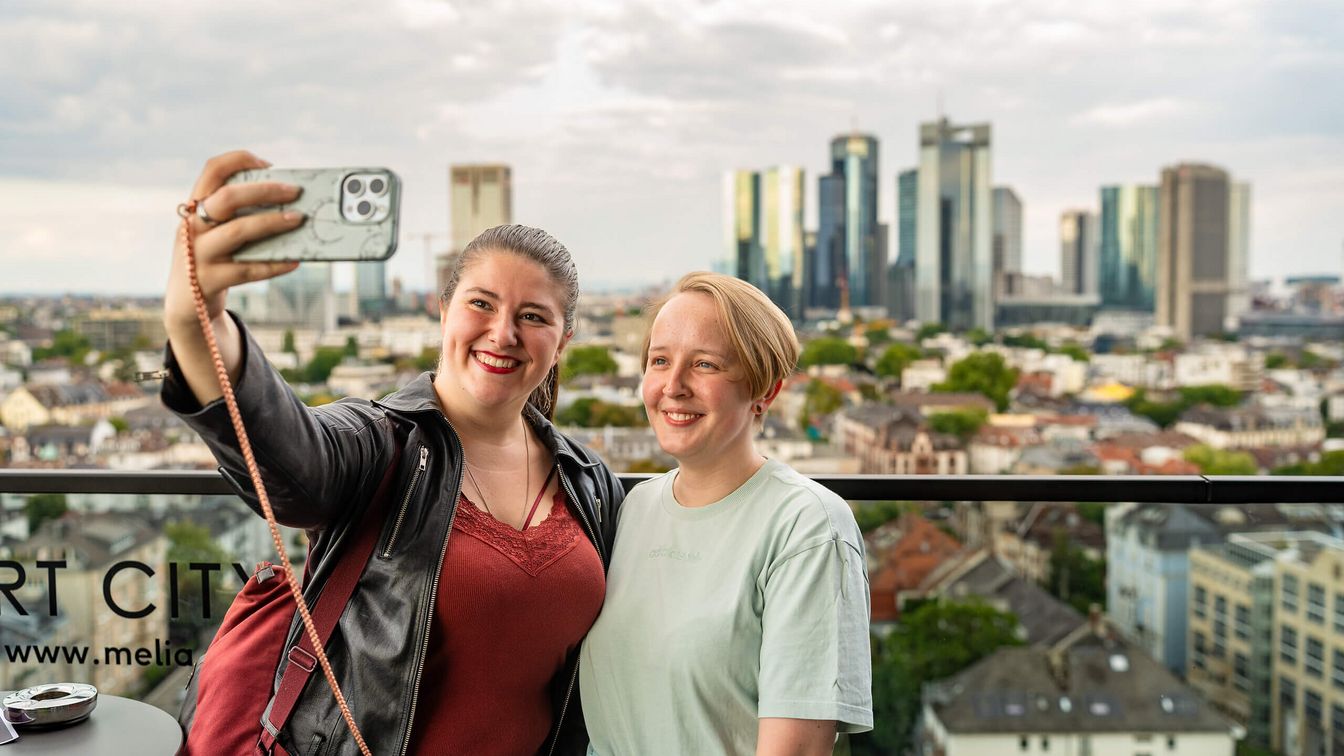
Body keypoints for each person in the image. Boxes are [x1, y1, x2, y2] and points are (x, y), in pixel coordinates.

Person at [160, 151, 623, 755]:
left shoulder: (589, 482)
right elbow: (291, 456)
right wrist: (196, 322)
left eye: (532, 316)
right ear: (443, 309)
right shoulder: (380, 444)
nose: (503, 333)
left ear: (563, 341)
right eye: (481, 303)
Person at [579, 272, 873, 754]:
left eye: (706, 365)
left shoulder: (808, 527)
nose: (673, 386)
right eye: (659, 361)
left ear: (766, 392)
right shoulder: (634, 508)